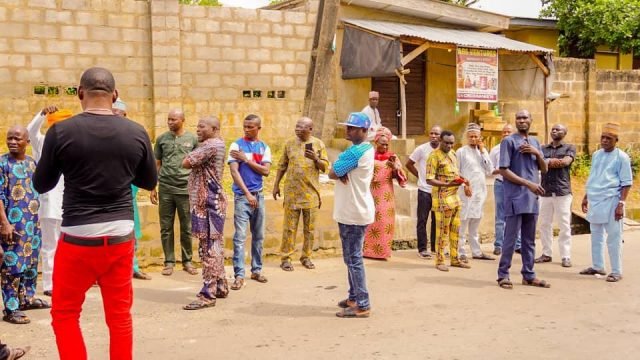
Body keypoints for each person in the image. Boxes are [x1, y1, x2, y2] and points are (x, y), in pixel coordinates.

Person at [33, 67, 157, 359]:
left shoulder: (61, 131)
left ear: (79, 94)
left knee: (64, 314)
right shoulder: (136, 131)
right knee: (119, 317)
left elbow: (42, 183)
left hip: (77, 238)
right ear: (115, 96)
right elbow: (149, 181)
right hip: (119, 238)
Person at [496, 110, 550, 290]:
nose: (522, 120)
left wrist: (537, 153)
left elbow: (545, 169)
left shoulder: (535, 142)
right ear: (515, 121)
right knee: (510, 239)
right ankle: (503, 274)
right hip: (515, 196)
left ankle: (529, 274)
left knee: (529, 240)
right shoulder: (508, 141)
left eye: (525, 117)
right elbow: (503, 170)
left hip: (532, 198)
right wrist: (528, 184)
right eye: (519, 118)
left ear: (531, 120)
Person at [1, 126, 48, 325]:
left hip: (32, 225)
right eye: (9, 138)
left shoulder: (31, 163)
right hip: (12, 225)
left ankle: (26, 299)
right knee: (12, 267)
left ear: (27, 142)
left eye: (17, 138)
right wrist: (4, 223)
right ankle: (11, 309)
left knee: (30, 265)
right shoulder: (2, 163)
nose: (12, 142)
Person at [330, 112, 375, 318]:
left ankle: (362, 303)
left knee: (354, 258)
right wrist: (341, 171)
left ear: (364, 131)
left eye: (352, 128)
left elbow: (333, 171)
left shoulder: (357, 152)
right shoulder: (363, 149)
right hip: (354, 210)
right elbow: (339, 170)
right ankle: (354, 296)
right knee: (350, 257)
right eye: (347, 127)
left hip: (353, 212)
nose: (348, 131)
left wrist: (340, 171)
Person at [183, 116, 229, 310]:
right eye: (197, 126)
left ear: (214, 128)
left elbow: (186, 162)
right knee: (215, 245)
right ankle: (220, 284)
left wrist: (190, 153)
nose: (198, 130)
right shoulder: (216, 144)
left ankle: (207, 294)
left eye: (202, 127)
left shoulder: (211, 145)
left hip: (207, 204)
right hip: (211, 202)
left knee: (208, 248)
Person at [273, 117, 329, 271]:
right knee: (289, 228)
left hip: (311, 194)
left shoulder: (318, 144)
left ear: (310, 129)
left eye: (301, 127)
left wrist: (316, 159)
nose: (297, 129)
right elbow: (282, 165)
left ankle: (306, 257)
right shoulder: (289, 143)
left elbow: (325, 167)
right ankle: (286, 258)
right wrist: (276, 185)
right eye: (296, 126)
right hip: (292, 193)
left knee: (309, 230)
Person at [26, 106, 71, 296]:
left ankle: (65, 282)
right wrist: (42, 114)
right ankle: (49, 285)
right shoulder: (42, 143)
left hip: (70, 205)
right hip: (49, 205)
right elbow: (30, 132)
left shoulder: (73, 145)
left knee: (68, 249)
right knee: (50, 247)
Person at [580, 123, 632, 283]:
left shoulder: (621, 157)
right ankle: (598, 266)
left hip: (612, 200)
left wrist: (621, 204)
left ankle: (617, 271)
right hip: (595, 199)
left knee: (614, 237)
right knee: (596, 235)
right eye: (603, 137)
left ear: (616, 140)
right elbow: (594, 176)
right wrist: (586, 196)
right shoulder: (597, 155)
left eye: (608, 138)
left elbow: (626, 182)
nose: (604, 141)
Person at [151, 109, 199, 276]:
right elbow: (157, 163)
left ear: (182, 120)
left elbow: (198, 164)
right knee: (166, 227)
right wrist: (153, 186)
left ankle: (187, 261)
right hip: (165, 188)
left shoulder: (192, 139)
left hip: (185, 189)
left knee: (187, 227)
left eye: (173, 119)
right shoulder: (162, 139)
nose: (170, 122)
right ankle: (169, 261)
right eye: (168, 119)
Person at [228, 114, 271, 290]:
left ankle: (256, 270)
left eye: (250, 127)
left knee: (258, 236)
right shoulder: (236, 145)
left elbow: (266, 171)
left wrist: (246, 160)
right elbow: (234, 172)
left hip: (259, 196)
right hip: (242, 197)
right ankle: (239, 275)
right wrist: (247, 194)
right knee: (239, 237)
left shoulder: (264, 147)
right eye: (245, 126)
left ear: (258, 128)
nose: (246, 129)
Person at [112, 98, 152, 280]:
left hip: (130, 191)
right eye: (112, 114)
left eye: (118, 114)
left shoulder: (132, 134)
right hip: (108, 194)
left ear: (125, 115)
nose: (115, 118)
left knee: (131, 234)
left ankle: (133, 267)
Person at [425, 130, 471, 272]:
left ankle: (455, 258)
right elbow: (429, 179)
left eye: (452, 143)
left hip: (455, 197)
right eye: (446, 143)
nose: (449, 145)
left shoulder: (453, 154)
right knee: (442, 231)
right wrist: (446, 184)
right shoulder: (434, 156)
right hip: (442, 199)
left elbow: (455, 173)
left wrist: (464, 180)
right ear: (440, 140)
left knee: (455, 229)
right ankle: (439, 260)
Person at [363, 127, 407, 259]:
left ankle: (382, 252)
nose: (385, 146)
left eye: (387, 144)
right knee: (369, 222)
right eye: (382, 144)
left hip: (385, 195)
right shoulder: (369, 156)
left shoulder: (392, 157)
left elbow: (402, 177)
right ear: (376, 143)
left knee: (384, 223)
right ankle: (367, 251)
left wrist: (395, 168)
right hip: (370, 193)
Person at [535, 124, 575, 268]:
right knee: (545, 224)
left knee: (564, 225)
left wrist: (546, 162)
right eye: (553, 129)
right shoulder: (543, 148)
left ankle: (566, 256)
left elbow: (565, 162)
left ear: (564, 133)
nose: (554, 131)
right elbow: (538, 164)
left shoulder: (569, 148)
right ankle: (547, 253)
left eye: (558, 129)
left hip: (562, 192)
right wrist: (550, 162)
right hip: (545, 191)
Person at [456, 123, 494, 262]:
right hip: (465, 193)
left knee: (475, 223)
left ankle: (477, 252)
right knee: (462, 223)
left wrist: (483, 150)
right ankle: (460, 252)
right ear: (467, 137)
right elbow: (456, 172)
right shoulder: (461, 152)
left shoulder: (482, 152)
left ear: (480, 137)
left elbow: (490, 170)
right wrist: (464, 183)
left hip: (480, 193)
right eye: (471, 136)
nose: (473, 139)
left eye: (475, 137)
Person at [406, 126, 441, 259]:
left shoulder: (443, 150)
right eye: (431, 133)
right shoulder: (421, 149)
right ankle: (422, 249)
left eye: (436, 134)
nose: (433, 136)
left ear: (440, 136)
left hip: (438, 191)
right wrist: (420, 176)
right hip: (424, 190)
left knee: (436, 220)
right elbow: (409, 164)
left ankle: (434, 247)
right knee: (422, 220)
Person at [489, 123, 521, 255]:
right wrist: (501, 170)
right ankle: (499, 244)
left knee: (516, 214)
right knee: (500, 215)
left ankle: (517, 244)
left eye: (509, 132)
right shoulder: (496, 149)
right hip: (501, 184)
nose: (506, 134)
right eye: (504, 132)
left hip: (515, 185)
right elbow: (490, 169)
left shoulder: (519, 148)